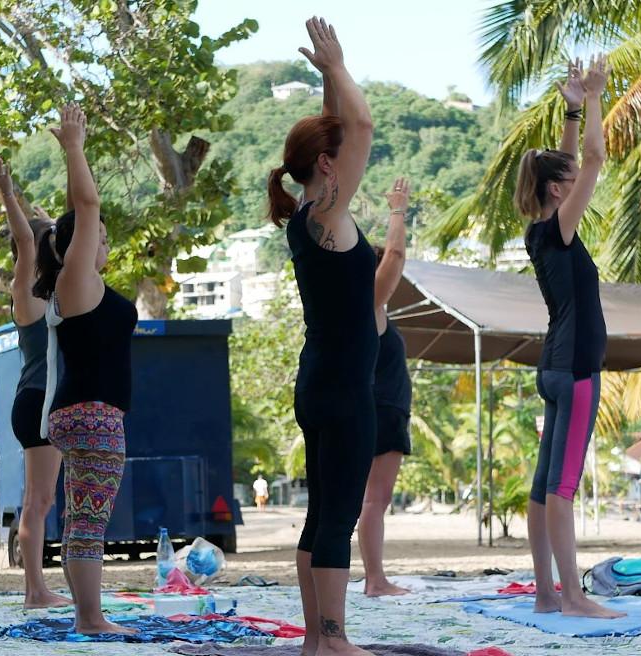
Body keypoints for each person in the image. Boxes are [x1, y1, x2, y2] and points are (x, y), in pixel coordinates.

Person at [266, 17, 378, 656]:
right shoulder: (328, 213)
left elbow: (343, 130)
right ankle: (331, 641)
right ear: (328, 165)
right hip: (340, 387)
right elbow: (360, 127)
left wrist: (327, 81)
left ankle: (316, 639)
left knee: (322, 510)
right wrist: (338, 68)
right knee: (339, 512)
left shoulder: (314, 212)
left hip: (323, 381)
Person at [511, 56, 622, 620]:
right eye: (572, 184)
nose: (582, 184)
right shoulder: (559, 228)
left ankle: (545, 593)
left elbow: (572, 159)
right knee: (563, 488)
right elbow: (595, 160)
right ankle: (574, 596)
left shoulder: (542, 231)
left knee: (543, 486)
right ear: (558, 191)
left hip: (554, 366)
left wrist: (573, 109)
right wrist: (599, 97)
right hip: (575, 370)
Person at [33, 104, 137, 635]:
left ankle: (87, 615)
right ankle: (92, 620)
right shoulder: (78, 283)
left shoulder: (81, 288)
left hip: (81, 415)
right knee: (90, 522)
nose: (105, 241)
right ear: (78, 246)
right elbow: (88, 201)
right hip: (93, 415)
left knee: (81, 519)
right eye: (98, 235)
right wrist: (74, 146)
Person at [0, 140, 71, 610]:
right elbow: (28, 240)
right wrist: (8, 197)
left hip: (39, 399)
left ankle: (38, 587)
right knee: (38, 501)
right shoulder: (27, 292)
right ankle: (35, 590)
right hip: (38, 399)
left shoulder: (51, 295)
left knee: (42, 500)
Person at [359, 177, 412, 598]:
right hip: (382, 412)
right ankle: (375, 579)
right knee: (375, 501)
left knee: (373, 500)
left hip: (378, 410)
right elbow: (395, 254)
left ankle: (375, 577)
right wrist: (399, 209)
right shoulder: (370, 306)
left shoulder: (365, 311)